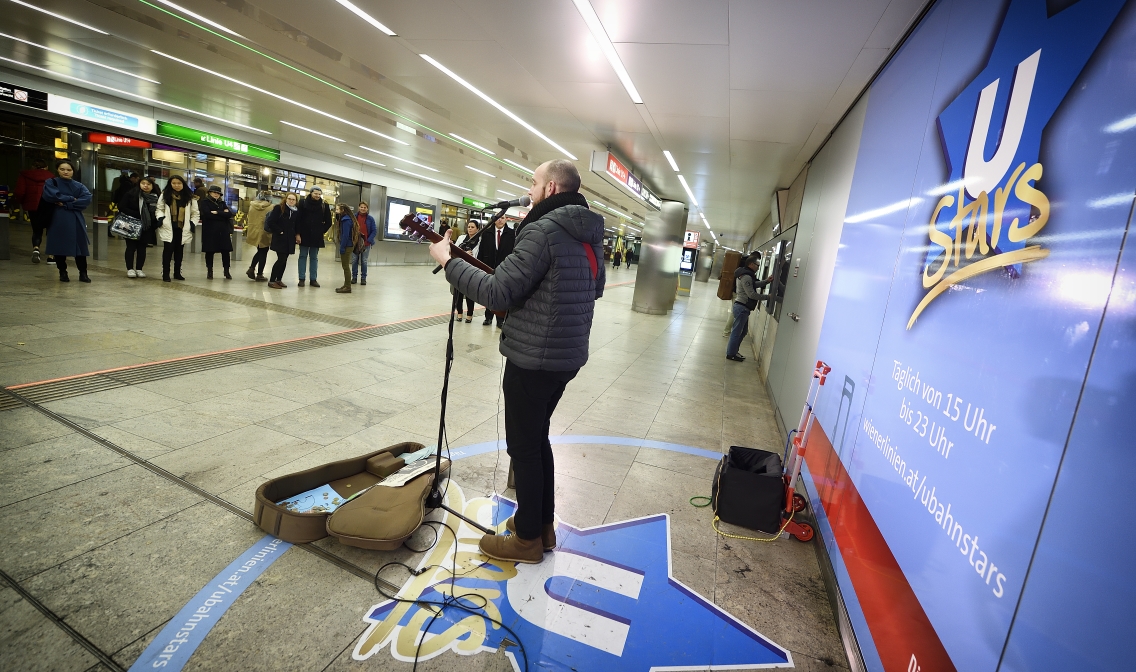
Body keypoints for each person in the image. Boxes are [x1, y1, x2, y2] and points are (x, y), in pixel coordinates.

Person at [428, 158, 605, 564]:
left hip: (533, 357)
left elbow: (496, 295)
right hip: (567, 356)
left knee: (523, 447)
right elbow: (593, 288)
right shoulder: (591, 234)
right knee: (537, 438)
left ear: (553, 190)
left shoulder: (542, 231)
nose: (529, 189)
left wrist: (448, 261)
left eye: (534, 182)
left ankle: (526, 540)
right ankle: (542, 527)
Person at [42, 160, 94, 283]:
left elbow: (86, 199)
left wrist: (66, 205)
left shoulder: (79, 185)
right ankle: (63, 272)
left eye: (69, 170)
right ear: (57, 170)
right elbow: (52, 196)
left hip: (75, 218)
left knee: (80, 247)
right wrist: (71, 199)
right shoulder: (51, 182)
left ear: (73, 171)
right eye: (62, 169)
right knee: (59, 246)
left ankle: (83, 273)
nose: (66, 172)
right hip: (58, 218)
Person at [726, 253, 773, 362]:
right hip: (742, 307)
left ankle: (733, 351)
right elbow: (751, 294)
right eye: (757, 265)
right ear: (751, 264)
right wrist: (768, 297)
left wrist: (766, 281)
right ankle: (731, 354)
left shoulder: (746, 275)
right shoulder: (746, 276)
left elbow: (754, 285)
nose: (758, 267)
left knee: (742, 332)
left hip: (743, 308)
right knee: (737, 332)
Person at [155, 175, 199, 282]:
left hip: (182, 228)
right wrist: (161, 218)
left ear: (183, 184)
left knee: (179, 252)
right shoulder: (165, 195)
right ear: (170, 184)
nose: (176, 185)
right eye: (174, 183)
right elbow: (159, 209)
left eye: (179, 183)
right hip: (169, 227)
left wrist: (192, 223)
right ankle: (165, 273)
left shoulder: (190, 197)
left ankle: (177, 272)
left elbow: (195, 213)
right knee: (168, 251)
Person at [476, 213, 516, 327]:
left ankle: (500, 319)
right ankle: (488, 317)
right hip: (489, 267)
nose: (500, 220)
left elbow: (514, 252)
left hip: (505, 268)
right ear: (494, 220)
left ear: (506, 220)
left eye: (502, 218)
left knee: (502, 294)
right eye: (498, 218)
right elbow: (481, 251)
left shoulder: (511, 234)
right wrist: (480, 266)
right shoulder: (486, 233)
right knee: (489, 292)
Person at [115, 176, 160, 278]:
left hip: (146, 226)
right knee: (131, 247)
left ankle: (139, 269)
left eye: (148, 184)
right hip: (131, 224)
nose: (145, 186)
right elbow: (122, 207)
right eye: (143, 183)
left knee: (142, 248)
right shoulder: (131, 194)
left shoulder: (156, 197)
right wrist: (138, 214)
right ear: (139, 184)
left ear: (152, 186)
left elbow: (158, 211)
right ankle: (130, 269)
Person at [13, 158, 54, 264]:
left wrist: (23, 203)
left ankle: (36, 248)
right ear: (46, 167)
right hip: (49, 205)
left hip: (33, 206)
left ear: (32, 167)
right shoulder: (51, 177)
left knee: (37, 230)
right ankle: (51, 256)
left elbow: (20, 192)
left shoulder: (25, 176)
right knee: (50, 229)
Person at [295, 186, 332, 287]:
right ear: (311, 193)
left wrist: (321, 231)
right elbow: (298, 219)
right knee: (302, 256)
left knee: (314, 257)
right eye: (316, 193)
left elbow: (328, 222)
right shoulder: (302, 203)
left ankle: (313, 279)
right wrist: (297, 234)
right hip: (304, 234)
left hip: (316, 236)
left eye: (319, 194)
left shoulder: (324, 205)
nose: (317, 196)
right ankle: (301, 278)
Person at [199, 185, 235, 279]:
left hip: (223, 231)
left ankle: (226, 271)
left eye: (218, 193)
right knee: (210, 251)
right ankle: (209, 271)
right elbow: (207, 214)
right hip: (210, 231)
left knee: (225, 251)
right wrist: (222, 214)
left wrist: (217, 212)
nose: (216, 194)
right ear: (210, 193)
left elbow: (229, 214)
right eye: (214, 192)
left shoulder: (222, 203)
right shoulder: (205, 202)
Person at [265, 193, 300, 289]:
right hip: (280, 238)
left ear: (296, 201)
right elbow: (270, 221)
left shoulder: (296, 211)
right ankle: (272, 281)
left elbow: (296, 224)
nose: (291, 201)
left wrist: (297, 234)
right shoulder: (279, 208)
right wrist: (279, 231)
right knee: (281, 259)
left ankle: (278, 279)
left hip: (290, 239)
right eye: (289, 199)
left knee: (284, 260)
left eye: (293, 199)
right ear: (286, 199)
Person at [452, 220, 481, 322]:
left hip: (472, 270)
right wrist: (464, 253)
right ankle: (459, 313)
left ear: (477, 229)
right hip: (460, 268)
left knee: (470, 294)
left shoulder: (480, 240)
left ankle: (469, 315)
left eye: (472, 227)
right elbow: (455, 251)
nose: (470, 229)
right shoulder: (461, 238)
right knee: (458, 293)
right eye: (468, 227)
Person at [244, 192, 272, 281]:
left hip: (254, 231)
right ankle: (259, 274)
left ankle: (251, 268)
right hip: (265, 232)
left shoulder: (252, 205)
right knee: (264, 252)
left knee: (260, 251)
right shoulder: (271, 207)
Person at [350, 201, 377, 285]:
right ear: (359, 208)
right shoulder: (354, 217)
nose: (363, 209)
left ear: (367, 209)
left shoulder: (370, 219)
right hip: (355, 243)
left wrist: (369, 240)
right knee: (354, 260)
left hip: (366, 244)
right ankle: (354, 277)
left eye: (365, 207)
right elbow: (350, 228)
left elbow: (374, 230)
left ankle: (363, 278)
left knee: (364, 261)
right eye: (361, 207)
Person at [333, 203, 355, 294]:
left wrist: (342, 247)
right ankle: (346, 285)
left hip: (347, 245)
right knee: (345, 266)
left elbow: (345, 235)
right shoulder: (346, 219)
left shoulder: (346, 220)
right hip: (348, 244)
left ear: (343, 210)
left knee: (345, 267)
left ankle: (348, 287)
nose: (336, 211)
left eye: (338, 210)